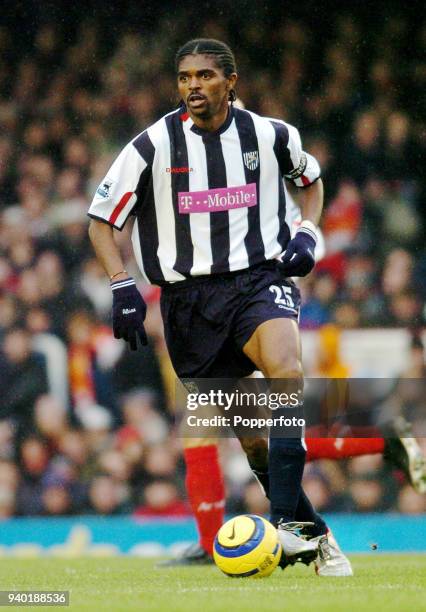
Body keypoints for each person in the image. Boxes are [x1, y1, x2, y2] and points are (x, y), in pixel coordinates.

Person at [88, 38, 337, 574]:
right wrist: (120, 284)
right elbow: (101, 220)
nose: (193, 86)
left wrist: (308, 231)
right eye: (184, 78)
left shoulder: (271, 136)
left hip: (257, 280)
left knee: (286, 370)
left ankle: (288, 527)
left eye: (204, 76)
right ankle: (319, 534)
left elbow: (311, 184)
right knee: (251, 439)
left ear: (231, 81)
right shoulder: (151, 146)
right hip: (188, 303)